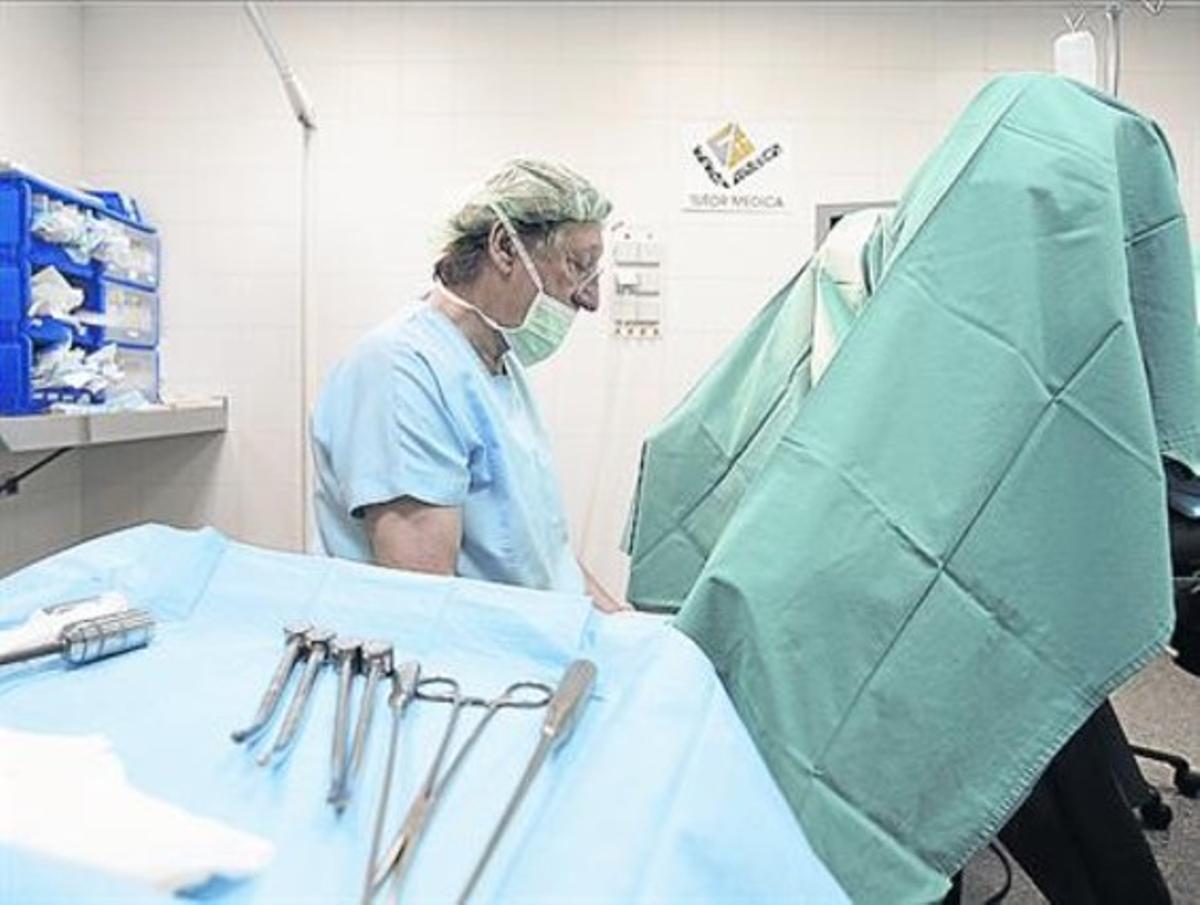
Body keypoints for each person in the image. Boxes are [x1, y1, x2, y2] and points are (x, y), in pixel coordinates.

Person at [311, 159, 629, 612]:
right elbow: (421, 600)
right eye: (579, 266)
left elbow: (545, 559)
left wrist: (624, 627)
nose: (591, 298)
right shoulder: (402, 372)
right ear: (504, 248)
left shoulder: (498, 365)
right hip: (469, 667)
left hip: (529, 644)